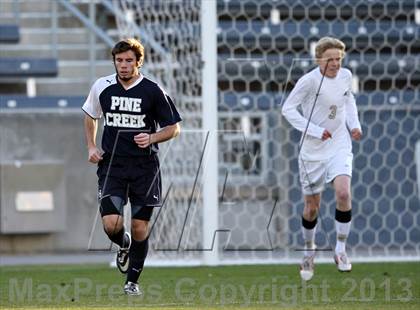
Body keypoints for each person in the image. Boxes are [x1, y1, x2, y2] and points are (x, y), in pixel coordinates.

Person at [82, 38, 181, 294]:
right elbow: (91, 115)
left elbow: (173, 128)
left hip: (144, 168)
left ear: (139, 62)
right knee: (111, 224)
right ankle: (122, 243)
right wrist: (91, 147)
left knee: (140, 226)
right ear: (114, 61)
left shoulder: (152, 90)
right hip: (112, 165)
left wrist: (152, 137)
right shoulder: (102, 86)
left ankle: (132, 282)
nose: (123, 65)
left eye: (128, 61)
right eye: (119, 60)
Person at [282, 37, 362, 281]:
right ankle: (309, 250)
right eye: (331, 60)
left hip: (338, 143)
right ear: (319, 59)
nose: (336, 64)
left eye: (339, 59)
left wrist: (354, 126)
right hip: (313, 150)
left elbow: (348, 102)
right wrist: (316, 131)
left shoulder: (346, 76)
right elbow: (287, 109)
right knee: (311, 207)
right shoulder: (308, 81)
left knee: (343, 194)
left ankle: (340, 249)